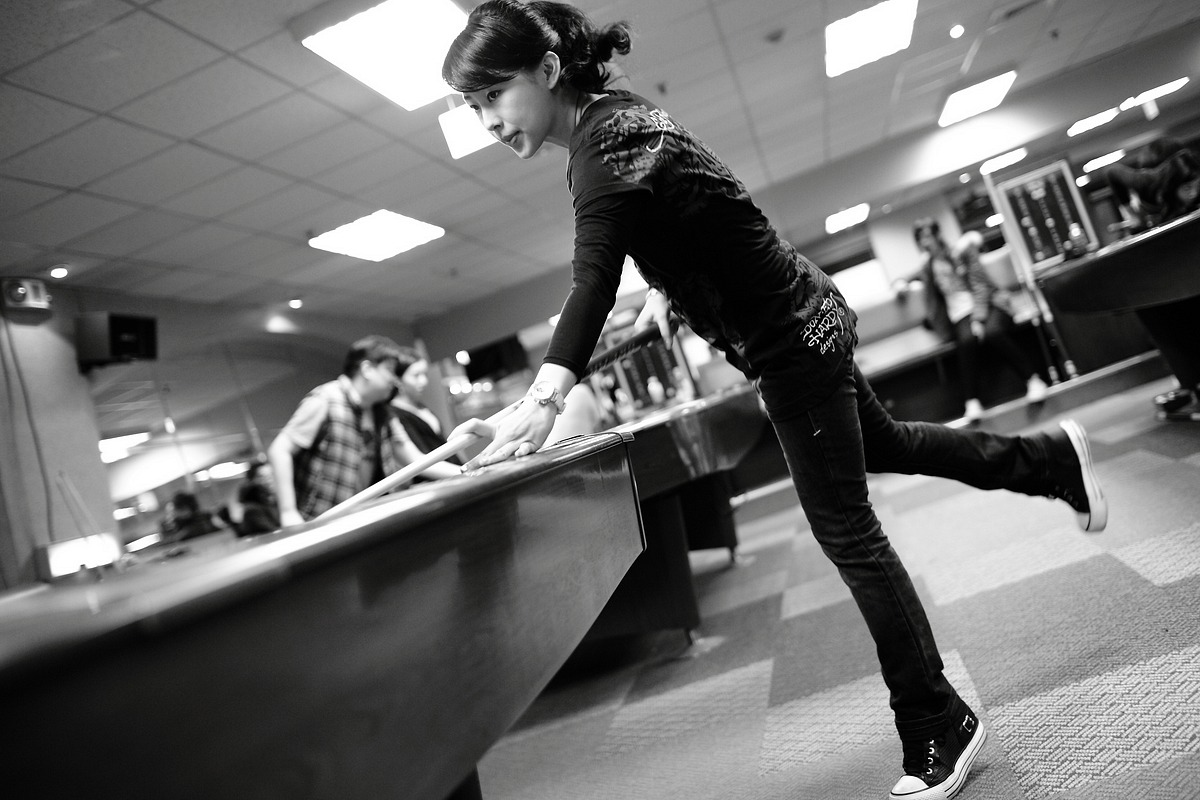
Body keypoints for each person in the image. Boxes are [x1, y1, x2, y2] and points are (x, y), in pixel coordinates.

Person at [440, 4, 1109, 798]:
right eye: (472, 107)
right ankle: (1049, 461)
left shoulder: (598, 149)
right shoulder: (616, 119)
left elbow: (592, 277)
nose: (487, 122)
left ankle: (937, 719)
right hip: (804, 315)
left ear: (548, 71)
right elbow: (690, 212)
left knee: (848, 532)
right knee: (890, 445)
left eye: (493, 96)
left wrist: (548, 393)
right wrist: (667, 292)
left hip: (791, 344)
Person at [268, 335, 459, 526]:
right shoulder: (326, 400)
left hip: (355, 520)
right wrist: (288, 512)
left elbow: (414, 459)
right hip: (318, 522)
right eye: (389, 370)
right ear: (367, 369)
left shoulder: (382, 413)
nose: (395, 380)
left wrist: (463, 471)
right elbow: (280, 449)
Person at [913, 219, 1048, 422]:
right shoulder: (928, 267)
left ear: (937, 235)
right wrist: (900, 283)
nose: (925, 243)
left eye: (927, 237)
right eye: (920, 239)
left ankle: (1033, 380)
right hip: (960, 316)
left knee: (993, 332)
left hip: (990, 303)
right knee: (967, 341)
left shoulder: (961, 252)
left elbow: (980, 286)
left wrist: (978, 319)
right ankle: (972, 401)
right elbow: (918, 283)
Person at [390, 346, 462, 468]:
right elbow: (417, 460)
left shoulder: (420, 406)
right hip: (436, 475)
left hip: (453, 468)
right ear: (398, 380)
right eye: (416, 375)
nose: (423, 381)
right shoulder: (394, 414)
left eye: (424, 374)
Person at [236, 461, 281, 535]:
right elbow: (274, 532)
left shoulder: (276, 502)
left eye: (271, 475)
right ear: (252, 481)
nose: (269, 480)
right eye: (262, 477)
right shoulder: (252, 510)